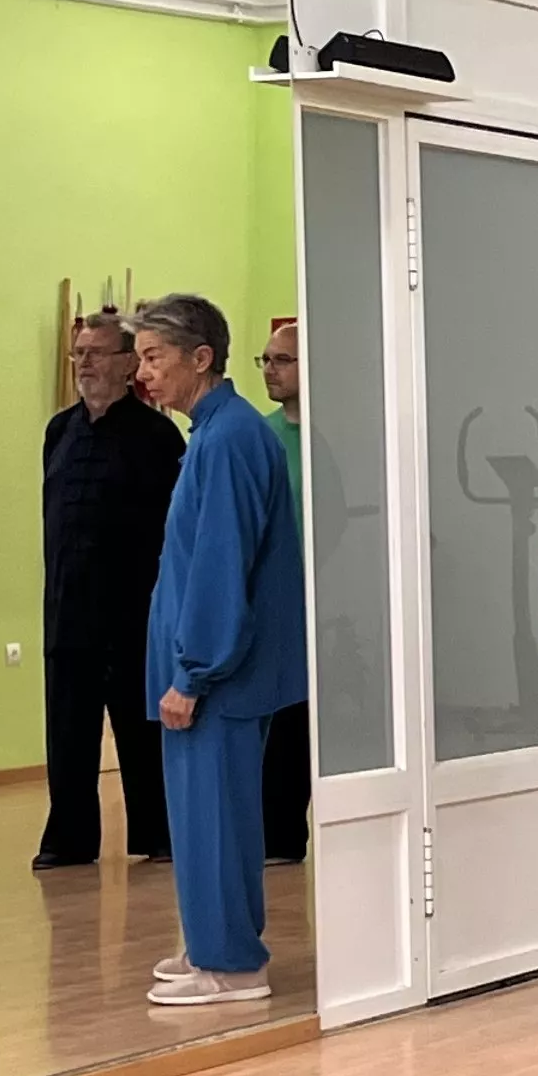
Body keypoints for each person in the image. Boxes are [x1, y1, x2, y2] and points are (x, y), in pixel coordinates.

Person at [132, 293, 305, 1008]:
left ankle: (231, 963)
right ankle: (214, 941)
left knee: (215, 818)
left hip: (219, 675)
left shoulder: (230, 438)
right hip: (214, 669)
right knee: (212, 816)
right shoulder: (214, 431)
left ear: (200, 358)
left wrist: (194, 673)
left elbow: (218, 563)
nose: (143, 373)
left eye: (153, 358)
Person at [33, 311, 182, 869]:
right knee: (68, 731)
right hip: (67, 608)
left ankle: (157, 831)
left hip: (133, 609)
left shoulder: (157, 435)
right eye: (79, 353)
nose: (86, 363)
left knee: (139, 729)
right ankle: (68, 838)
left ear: (127, 365)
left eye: (97, 352)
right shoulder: (59, 431)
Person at [253, 317, 310, 866]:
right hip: (273, 603)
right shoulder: (262, 437)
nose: (271, 369)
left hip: (327, 603)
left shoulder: (331, 436)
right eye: (266, 359)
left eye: (283, 360)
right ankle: (276, 835)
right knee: (279, 720)